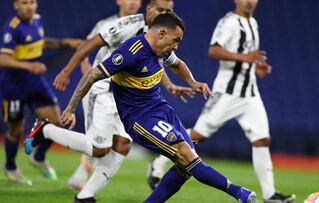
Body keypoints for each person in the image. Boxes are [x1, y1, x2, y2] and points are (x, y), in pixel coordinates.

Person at [28, 12, 257, 203]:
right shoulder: (132, 52)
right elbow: (91, 74)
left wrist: (193, 82)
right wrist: (69, 109)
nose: (176, 46)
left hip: (161, 110)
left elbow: (178, 64)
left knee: (186, 166)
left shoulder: (162, 50)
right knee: (183, 155)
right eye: (175, 40)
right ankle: (239, 193)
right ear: (161, 33)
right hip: (139, 118)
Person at [27, 0, 193, 202]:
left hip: (127, 98)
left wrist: (170, 87)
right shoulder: (127, 25)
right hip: (103, 90)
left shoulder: (163, 36)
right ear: (148, 9)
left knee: (123, 145)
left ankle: (85, 196)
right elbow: (90, 44)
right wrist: (67, 71)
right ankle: (45, 129)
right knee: (98, 150)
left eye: (168, 11)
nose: (163, 14)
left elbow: (154, 66)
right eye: (160, 9)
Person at [147, 0, 296, 203]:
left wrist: (255, 66)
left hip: (250, 93)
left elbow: (248, 57)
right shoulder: (229, 22)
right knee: (199, 135)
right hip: (227, 92)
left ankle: (270, 194)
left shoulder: (253, 23)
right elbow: (214, 51)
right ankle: (159, 162)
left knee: (262, 140)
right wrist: (245, 59)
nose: (250, 1)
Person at [0, 0, 82, 185]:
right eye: (24, 3)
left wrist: (65, 42)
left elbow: (40, 42)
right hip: (13, 86)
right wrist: (29, 65)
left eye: (32, 2)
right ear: (16, 6)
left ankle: (39, 156)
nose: (29, 6)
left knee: (58, 121)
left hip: (35, 82)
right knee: (16, 129)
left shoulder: (36, 20)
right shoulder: (12, 28)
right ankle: (11, 166)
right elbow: (3, 59)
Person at [66, 0, 143, 190]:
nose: (133, 3)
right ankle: (81, 172)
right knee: (97, 141)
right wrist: (86, 70)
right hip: (100, 88)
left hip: (124, 92)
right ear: (119, 1)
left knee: (117, 142)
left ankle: (87, 183)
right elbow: (86, 47)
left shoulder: (145, 27)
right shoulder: (105, 24)